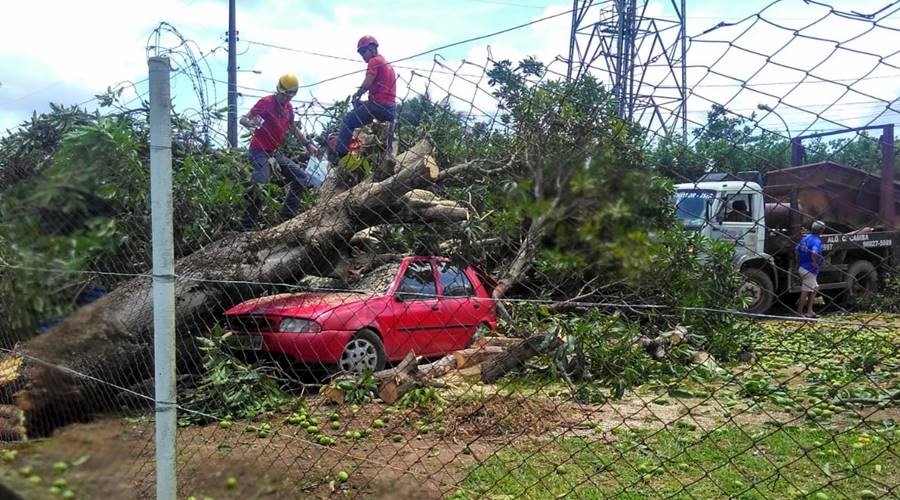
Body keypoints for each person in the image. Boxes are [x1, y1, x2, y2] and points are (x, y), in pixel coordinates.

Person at [239, 73, 319, 230]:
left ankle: (287, 219)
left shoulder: (288, 108)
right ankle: (246, 226)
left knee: (301, 178)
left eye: (291, 95)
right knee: (260, 183)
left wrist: (308, 145)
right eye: (285, 95)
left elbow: (293, 128)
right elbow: (243, 118)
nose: (287, 99)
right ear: (279, 90)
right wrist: (249, 123)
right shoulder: (266, 102)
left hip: (274, 152)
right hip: (259, 151)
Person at [331, 35, 397, 161]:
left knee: (348, 120)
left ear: (372, 48)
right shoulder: (387, 64)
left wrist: (358, 94)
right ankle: (385, 155)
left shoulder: (374, 61)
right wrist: (363, 102)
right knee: (362, 109)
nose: (362, 55)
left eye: (363, 51)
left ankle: (340, 155)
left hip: (378, 106)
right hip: (390, 109)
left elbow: (369, 80)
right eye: (360, 53)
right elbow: (383, 95)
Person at [796, 220, 825, 318]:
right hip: (809, 269)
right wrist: (814, 262)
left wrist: (799, 261)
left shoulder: (805, 238)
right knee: (805, 291)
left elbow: (797, 250)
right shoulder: (816, 241)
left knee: (815, 288)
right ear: (821, 231)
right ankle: (800, 312)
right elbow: (814, 252)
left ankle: (810, 310)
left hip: (802, 267)